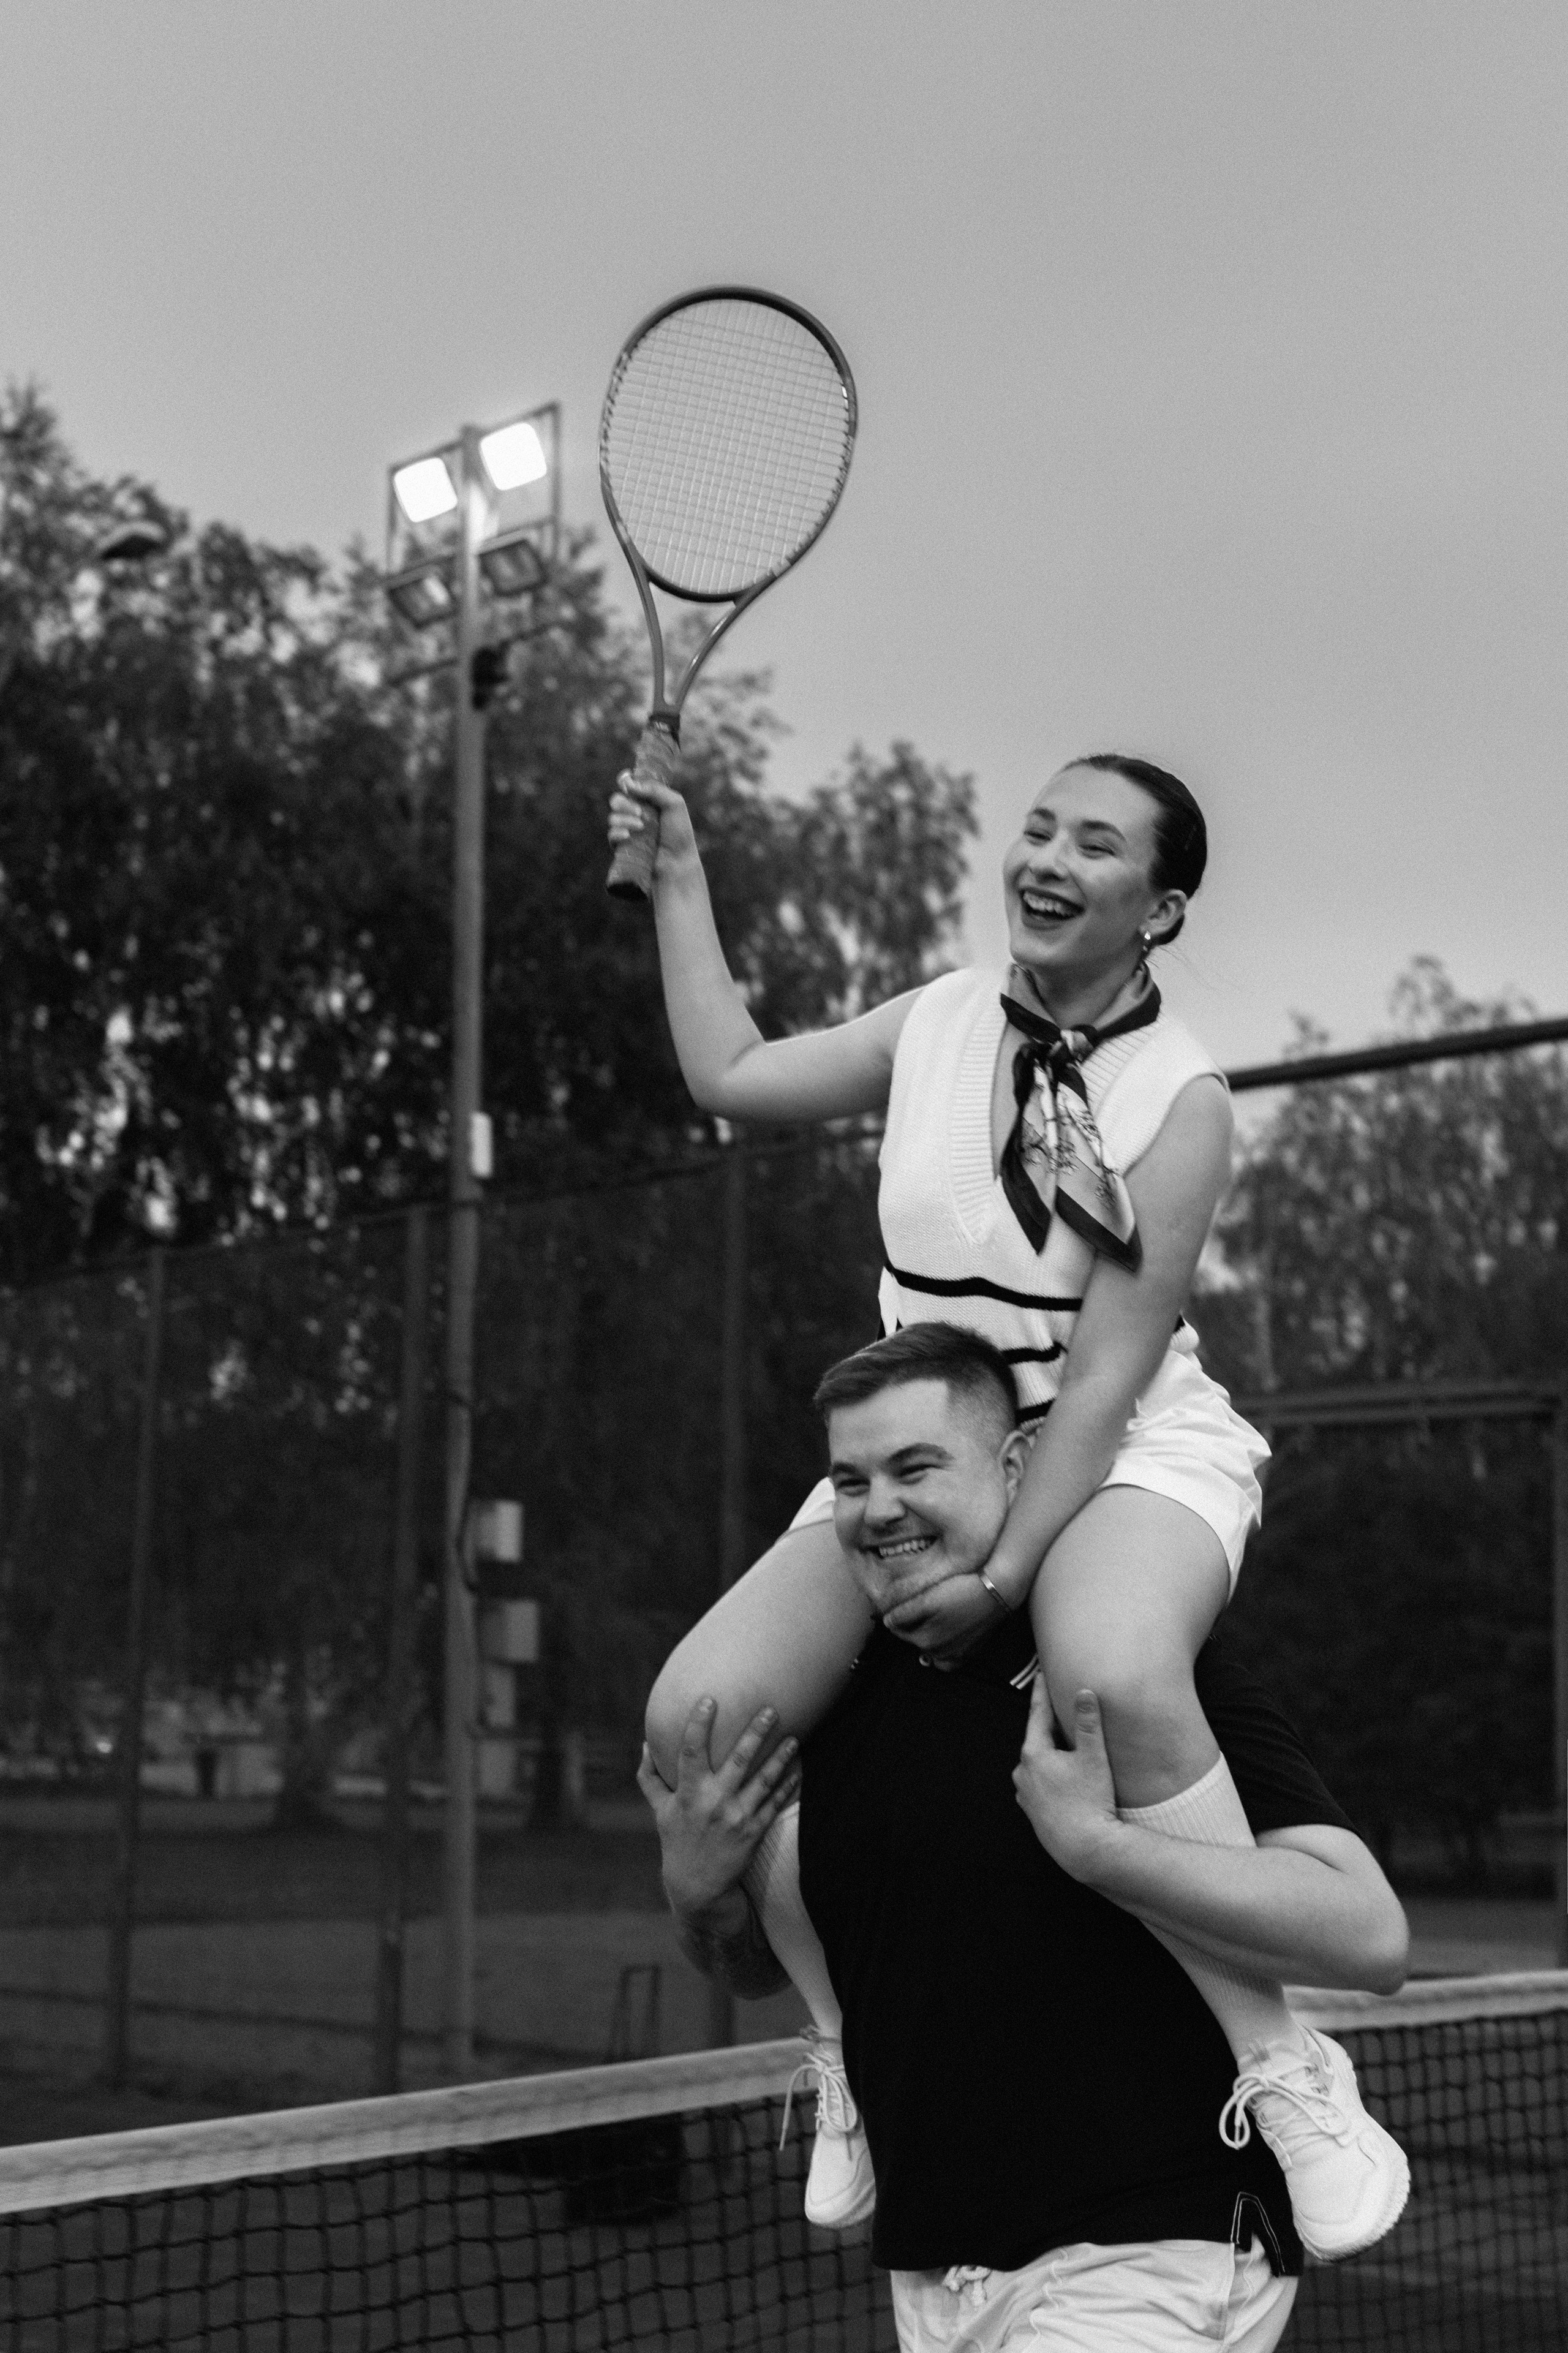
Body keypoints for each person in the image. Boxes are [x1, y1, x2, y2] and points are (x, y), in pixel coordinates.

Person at [613, 749, 1402, 2254]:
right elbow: (729, 1073)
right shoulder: (938, 1018)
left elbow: (1101, 1379)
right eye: (1036, 825)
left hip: (1117, 1449)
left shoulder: (1182, 1101)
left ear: (1157, 906)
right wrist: (679, 874)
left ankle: (1282, 2062)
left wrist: (1007, 1571)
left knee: (1109, 1668)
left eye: (1091, 844)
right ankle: (843, 2052)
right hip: (929, 1443)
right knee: (696, 1718)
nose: (1043, 855)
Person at [638, 1327, 1412, 2353]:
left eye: (917, 1467)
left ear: (1013, 1468)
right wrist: (701, 1898)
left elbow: (1367, 1935)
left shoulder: (1113, 1650)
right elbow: (750, 1967)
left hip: (1153, 2249)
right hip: (935, 2273)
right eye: (851, 1481)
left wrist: (1102, 1847)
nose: (880, 1507)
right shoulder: (823, 1704)